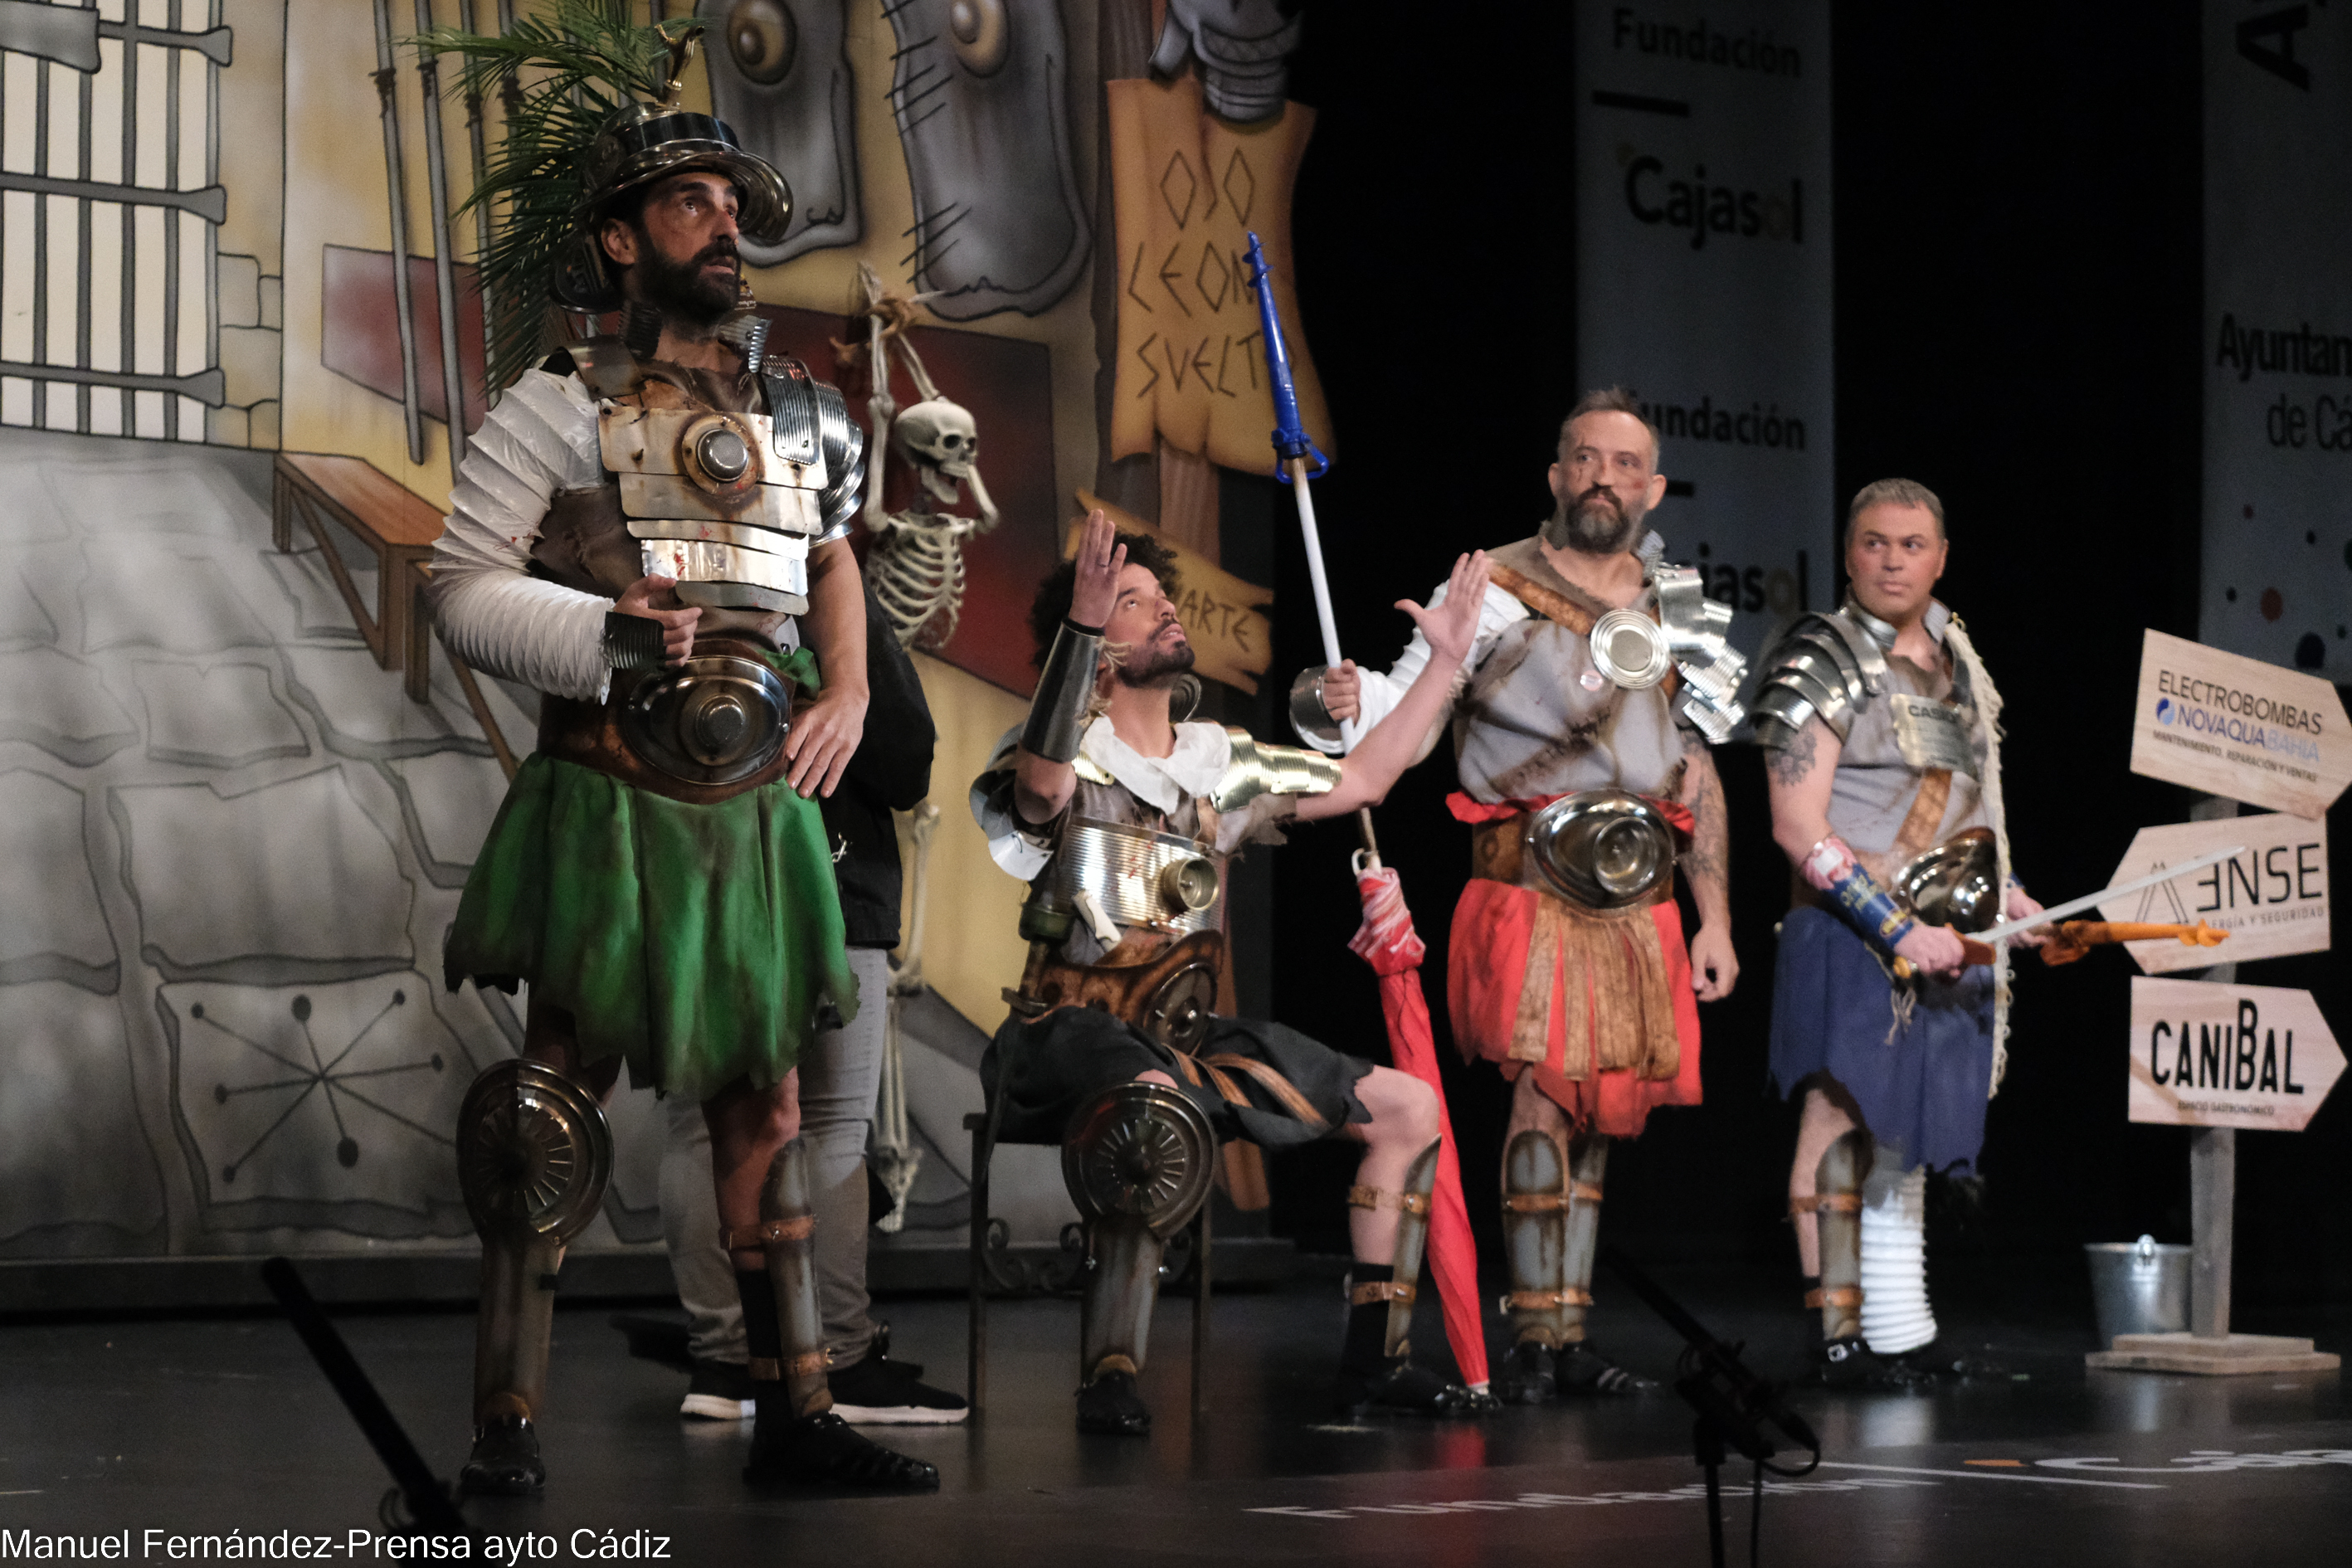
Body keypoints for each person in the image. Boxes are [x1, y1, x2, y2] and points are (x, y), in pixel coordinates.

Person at [424, 20, 933, 1493]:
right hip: (608, 799)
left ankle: (798, 1412)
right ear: (620, 235)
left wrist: (843, 691)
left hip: (753, 812)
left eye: (730, 205)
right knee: (551, 1108)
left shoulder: (808, 417)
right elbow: (459, 585)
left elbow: (834, 556)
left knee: (768, 1107)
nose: (723, 226)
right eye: (690, 203)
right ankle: (506, 1430)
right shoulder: (559, 401)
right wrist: (609, 634)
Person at [972, 513, 1490, 1435]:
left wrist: (1446, 663)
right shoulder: (1063, 749)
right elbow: (1042, 792)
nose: (1164, 612)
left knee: (1409, 1109)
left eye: (1162, 599)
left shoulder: (1221, 765)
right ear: (1091, 647)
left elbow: (1365, 778)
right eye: (1134, 605)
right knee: (1149, 1101)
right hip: (1063, 1033)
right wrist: (1082, 626)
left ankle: (1373, 1364)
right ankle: (1112, 1372)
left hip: (1181, 1040)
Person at [1318, 389, 1747, 1403]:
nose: (1604, 477)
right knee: (1546, 1097)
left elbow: (1696, 769)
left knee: (1599, 1120)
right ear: (1556, 475)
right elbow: (1410, 709)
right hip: (1531, 883)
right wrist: (1359, 704)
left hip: (1641, 898)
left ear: (1654, 486)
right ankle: (1529, 1339)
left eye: (1625, 463)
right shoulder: (1494, 585)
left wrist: (1716, 915)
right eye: (1584, 459)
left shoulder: (1680, 601)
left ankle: (1565, 1332)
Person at [1751, 478, 2045, 1387]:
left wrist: (2010, 895)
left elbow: (1970, 803)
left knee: (1907, 1135)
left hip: (1950, 931)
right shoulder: (1821, 652)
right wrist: (1895, 927)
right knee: (1837, 1128)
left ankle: (1900, 1329)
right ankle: (1837, 1339)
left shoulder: (1960, 661)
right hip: (1850, 929)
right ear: (1849, 553)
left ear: (1941, 557)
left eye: (1911, 545)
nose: (1891, 560)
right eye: (1874, 543)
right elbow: (1797, 826)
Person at [657, 581, 965, 1426]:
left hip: (691, 891)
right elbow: (906, 766)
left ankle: (724, 1362)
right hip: (826, 889)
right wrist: (841, 686)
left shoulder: (665, 600)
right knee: (828, 1125)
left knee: (700, 1123)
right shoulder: (839, 610)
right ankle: (836, 1357)